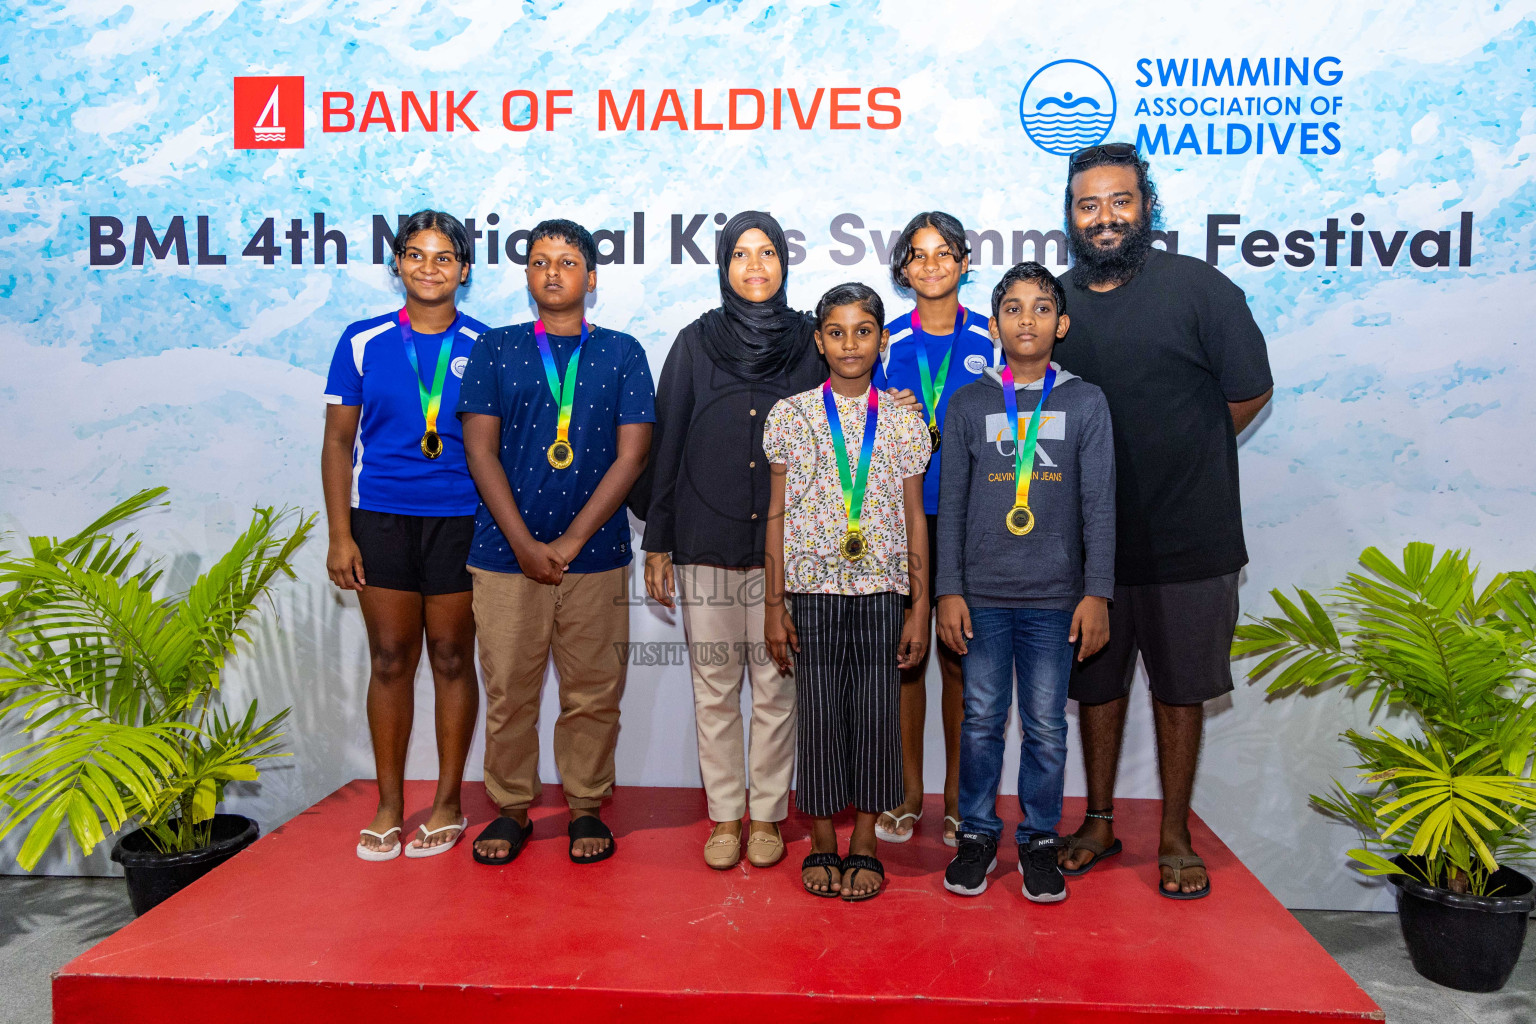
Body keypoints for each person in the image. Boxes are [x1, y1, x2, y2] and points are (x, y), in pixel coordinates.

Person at [1053, 143, 1273, 899]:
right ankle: (1100, 819)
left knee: (1181, 689)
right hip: (1085, 549)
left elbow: (1248, 392)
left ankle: (1175, 835)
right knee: (1097, 686)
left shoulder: (1202, 290)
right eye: (1089, 204)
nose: (1105, 218)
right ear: (1071, 216)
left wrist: (1189, 449)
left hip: (1190, 536)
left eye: (1120, 201)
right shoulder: (1051, 306)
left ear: (1146, 205)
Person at [457, 219, 655, 866]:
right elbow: (480, 452)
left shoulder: (623, 353)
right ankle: (511, 807)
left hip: (595, 557)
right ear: (526, 277)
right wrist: (523, 543)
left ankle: (586, 805)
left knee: (593, 691)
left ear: (591, 278)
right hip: (505, 556)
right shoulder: (495, 348)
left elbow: (631, 458)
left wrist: (569, 541)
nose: (552, 272)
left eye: (567, 262)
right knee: (510, 691)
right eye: (540, 261)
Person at [935, 262, 1115, 901]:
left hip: (1055, 599)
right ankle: (978, 834)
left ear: (1061, 324)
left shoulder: (1085, 401)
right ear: (993, 324)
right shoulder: (969, 402)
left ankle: (1041, 838)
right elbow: (950, 505)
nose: (1027, 319)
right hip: (981, 597)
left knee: (1044, 725)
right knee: (981, 720)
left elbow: (1100, 504)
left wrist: (1098, 593)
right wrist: (947, 590)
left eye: (1042, 308)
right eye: (1012, 308)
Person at [322, 209, 486, 862]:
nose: (428, 267)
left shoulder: (487, 344)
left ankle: (447, 801)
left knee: (451, 657)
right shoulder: (362, 341)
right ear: (397, 266)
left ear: (463, 270)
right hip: (381, 520)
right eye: (415, 255)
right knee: (391, 659)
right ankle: (389, 805)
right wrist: (341, 534)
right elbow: (337, 444)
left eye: (443, 256)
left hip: (462, 522)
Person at [763, 282, 932, 901]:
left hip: (882, 592)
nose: (850, 343)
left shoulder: (906, 422)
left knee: (873, 717)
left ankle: (863, 841)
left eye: (864, 331)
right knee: (818, 718)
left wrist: (917, 606)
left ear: (882, 340)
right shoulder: (792, 415)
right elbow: (777, 514)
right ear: (819, 341)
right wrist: (773, 605)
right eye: (836, 332)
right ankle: (822, 842)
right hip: (810, 591)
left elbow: (916, 517)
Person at [872, 211, 1000, 848]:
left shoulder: (993, 335)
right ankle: (903, 792)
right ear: (902, 270)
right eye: (917, 256)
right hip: (897, 516)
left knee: (960, 657)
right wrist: (879, 407)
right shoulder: (885, 341)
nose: (931, 266)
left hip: (972, 513)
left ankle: (957, 796)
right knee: (903, 658)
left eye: (943, 253)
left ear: (964, 262)